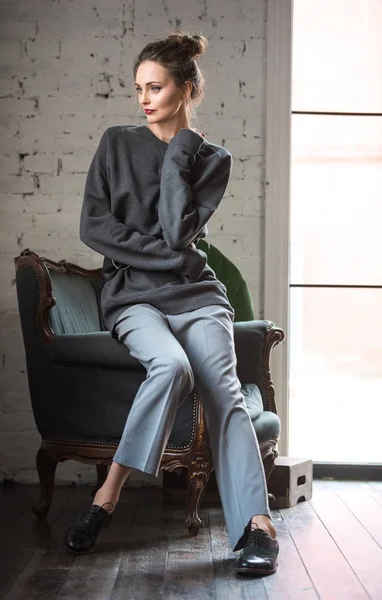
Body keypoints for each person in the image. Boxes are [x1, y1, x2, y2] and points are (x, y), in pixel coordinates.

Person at [63, 31, 279, 576]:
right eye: (138, 88)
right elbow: (95, 227)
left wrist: (180, 151)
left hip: (197, 296)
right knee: (171, 365)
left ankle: (257, 525)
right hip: (133, 297)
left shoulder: (210, 159)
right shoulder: (115, 143)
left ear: (185, 89)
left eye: (155, 87)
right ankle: (107, 496)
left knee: (225, 392)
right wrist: (162, 257)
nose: (144, 98)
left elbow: (178, 230)